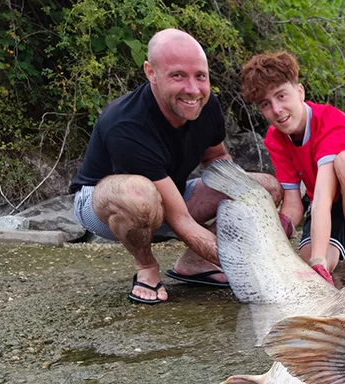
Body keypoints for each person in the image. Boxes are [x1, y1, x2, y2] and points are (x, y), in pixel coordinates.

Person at [69, 29, 282, 304]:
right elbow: (180, 220)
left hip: (169, 192)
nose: (193, 90)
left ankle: (195, 264)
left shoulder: (206, 105)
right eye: (178, 75)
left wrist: (249, 208)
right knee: (139, 196)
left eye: (200, 76)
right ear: (151, 72)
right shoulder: (125, 123)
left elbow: (217, 160)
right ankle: (146, 267)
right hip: (105, 203)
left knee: (263, 189)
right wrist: (251, 266)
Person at [239, 51, 345, 285]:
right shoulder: (274, 138)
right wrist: (275, 233)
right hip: (329, 200)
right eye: (266, 104)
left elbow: (322, 196)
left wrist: (319, 261)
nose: (277, 109)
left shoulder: (329, 121)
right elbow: (293, 202)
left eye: (282, 96)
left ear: (300, 92)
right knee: (307, 262)